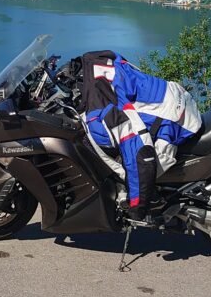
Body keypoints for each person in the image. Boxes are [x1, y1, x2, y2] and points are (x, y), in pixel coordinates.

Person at [78, 50, 201, 220]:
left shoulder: (105, 116)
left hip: (178, 122)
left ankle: (156, 201)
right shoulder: (97, 64)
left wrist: (137, 205)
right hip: (177, 99)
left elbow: (140, 155)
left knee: (137, 158)